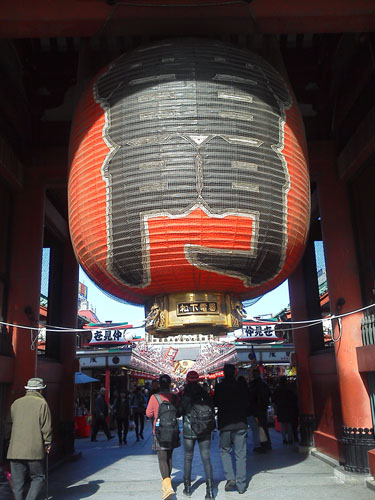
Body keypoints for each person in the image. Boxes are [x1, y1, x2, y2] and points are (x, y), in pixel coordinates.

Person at [6, 377, 52, 500]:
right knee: (38, 477)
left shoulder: (16, 403)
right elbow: (46, 427)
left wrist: (7, 440)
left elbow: (7, 426)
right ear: (40, 390)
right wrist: (47, 443)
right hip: (34, 451)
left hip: (15, 451)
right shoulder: (42, 404)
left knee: (17, 483)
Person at [178, 370, 214, 499]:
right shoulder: (205, 393)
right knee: (206, 458)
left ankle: (187, 488)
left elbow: (179, 412)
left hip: (189, 429)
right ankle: (209, 491)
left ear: (187, 380)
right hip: (205, 428)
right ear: (198, 380)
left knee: (188, 457)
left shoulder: (184, 394)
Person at [213, 364, 249, 495]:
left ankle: (230, 479)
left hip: (225, 424)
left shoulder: (219, 387)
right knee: (241, 455)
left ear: (223, 373)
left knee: (225, 451)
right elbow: (247, 402)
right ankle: (241, 485)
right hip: (240, 424)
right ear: (234, 372)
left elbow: (215, 402)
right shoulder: (241, 385)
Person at [146, 374, 180, 500]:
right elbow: (179, 412)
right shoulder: (175, 397)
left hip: (159, 431)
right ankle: (166, 484)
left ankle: (168, 487)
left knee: (162, 458)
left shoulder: (154, 397)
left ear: (159, 384)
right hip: (172, 430)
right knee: (169, 457)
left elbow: (148, 414)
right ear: (170, 384)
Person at [248, 368, 272, 450]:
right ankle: (266, 443)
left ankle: (262, 443)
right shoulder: (263, 384)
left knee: (258, 427)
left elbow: (250, 397)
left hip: (256, 409)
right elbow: (269, 394)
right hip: (262, 408)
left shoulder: (252, 385)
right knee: (263, 426)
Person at [271, 376, 298, 444]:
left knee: (282, 424)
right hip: (289, 408)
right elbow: (294, 398)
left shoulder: (277, 390)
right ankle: (290, 438)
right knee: (289, 424)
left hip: (281, 408)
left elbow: (273, 399)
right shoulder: (289, 389)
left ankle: (284, 439)